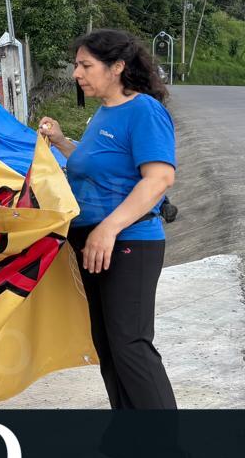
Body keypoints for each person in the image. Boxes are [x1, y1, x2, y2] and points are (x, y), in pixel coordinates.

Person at [39, 29, 178, 411]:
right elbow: (104, 164)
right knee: (109, 345)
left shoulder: (144, 110)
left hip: (130, 241)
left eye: (85, 65)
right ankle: (131, 443)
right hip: (95, 243)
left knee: (131, 345)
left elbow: (159, 178)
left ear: (117, 67)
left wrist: (109, 228)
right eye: (76, 65)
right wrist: (64, 143)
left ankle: (171, 455)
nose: (76, 74)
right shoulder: (106, 111)